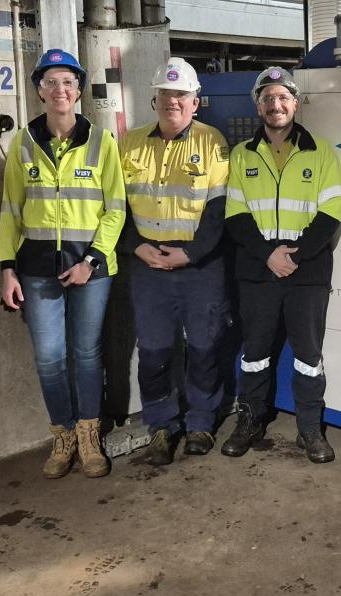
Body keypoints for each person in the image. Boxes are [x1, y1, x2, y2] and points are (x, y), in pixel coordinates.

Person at [0, 48, 126, 479]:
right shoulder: (23, 142)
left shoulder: (101, 141)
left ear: (78, 91)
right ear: (39, 91)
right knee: (50, 358)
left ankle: (90, 437)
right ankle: (63, 435)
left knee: (86, 354)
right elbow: (10, 210)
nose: (60, 90)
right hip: (36, 269)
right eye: (51, 82)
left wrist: (91, 260)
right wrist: (6, 268)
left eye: (67, 82)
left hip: (89, 269)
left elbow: (116, 209)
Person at [222, 66, 341, 463]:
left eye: (282, 97)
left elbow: (332, 210)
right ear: (258, 106)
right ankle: (251, 420)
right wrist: (268, 254)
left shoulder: (320, 151)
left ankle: (310, 428)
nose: (276, 105)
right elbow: (235, 214)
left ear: (295, 103)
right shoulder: (242, 155)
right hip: (258, 271)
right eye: (268, 98)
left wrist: (295, 254)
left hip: (306, 271)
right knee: (255, 351)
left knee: (309, 356)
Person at [118, 58, 231, 465]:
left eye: (181, 94)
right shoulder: (128, 143)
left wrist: (190, 253)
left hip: (198, 266)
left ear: (195, 101)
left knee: (204, 345)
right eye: (166, 94)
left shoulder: (213, 142)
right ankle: (161, 426)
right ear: (155, 99)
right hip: (147, 263)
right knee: (153, 351)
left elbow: (220, 210)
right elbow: (114, 206)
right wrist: (135, 245)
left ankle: (201, 421)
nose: (173, 101)